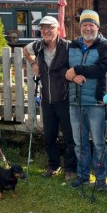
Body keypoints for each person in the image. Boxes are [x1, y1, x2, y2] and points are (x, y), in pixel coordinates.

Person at [23, 16, 77, 180]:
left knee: (69, 136)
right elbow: (25, 50)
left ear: (57, 29)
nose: (46, 31)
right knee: (49, 135)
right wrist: (32, 64)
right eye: (43, 28)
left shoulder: (67, 46)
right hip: (46, 99)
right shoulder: (38, 46)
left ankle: (70, 168)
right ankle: (53, 165)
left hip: (64, 98)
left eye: (50, 27)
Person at [65, 10, 107, 190]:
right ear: (80, 26)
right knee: (80, 143)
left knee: (99, 143)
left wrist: (77, 70)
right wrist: (71, 76)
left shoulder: (103, 45)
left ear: (97, 27)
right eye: (84, 24)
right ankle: (83, 175)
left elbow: (100, 69)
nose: (87, 27)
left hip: (95, 102)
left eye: (91, 24)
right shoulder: (73, 45)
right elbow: (63, 67)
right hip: (75, 101)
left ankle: (100, 178)